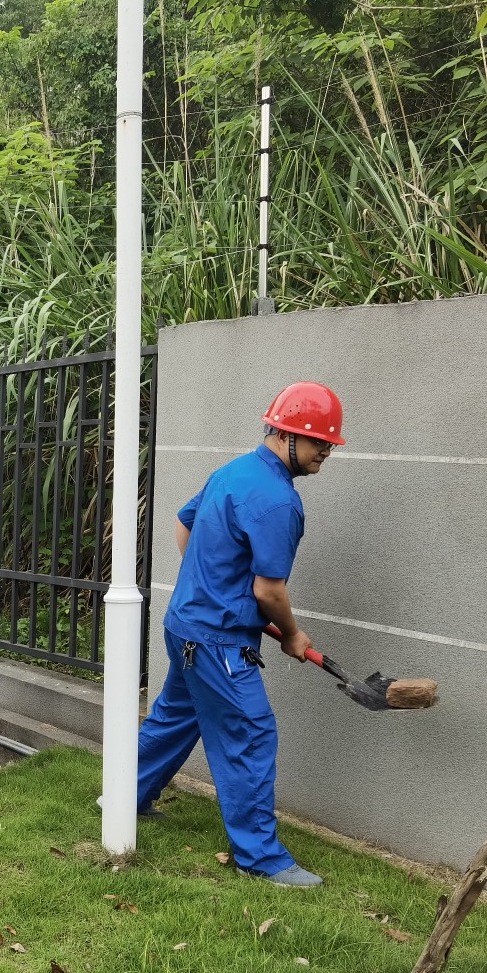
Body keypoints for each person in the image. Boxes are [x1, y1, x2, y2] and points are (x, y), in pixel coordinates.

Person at [135, 381, 344, 889]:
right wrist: (292, 634)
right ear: (287, 435)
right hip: (219, 642)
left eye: (330, 444)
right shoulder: (278, 501)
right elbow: (269, 590)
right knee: (251, 733)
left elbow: (184, 525)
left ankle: (124, 796)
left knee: (175, 718)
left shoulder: (232, 472)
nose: (326, 452)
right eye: (319, 442)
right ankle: (261, 857)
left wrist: (209, 585)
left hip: (185, 625)